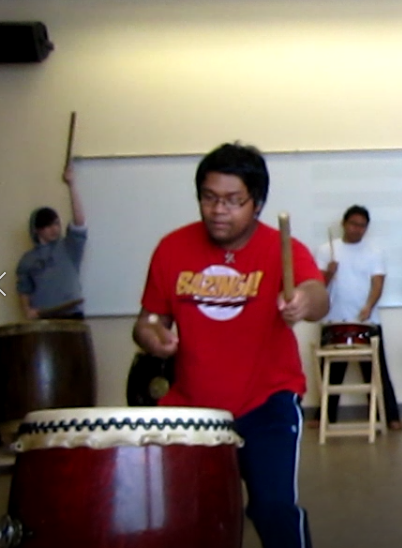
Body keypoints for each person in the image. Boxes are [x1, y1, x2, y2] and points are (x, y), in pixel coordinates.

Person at [131, 142, 329, 548]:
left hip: (266, 401)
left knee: (273, 508)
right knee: (190, 515)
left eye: (232, 201)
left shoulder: (282, 248)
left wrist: (304, 302)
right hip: (190, 407)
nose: (218, 209)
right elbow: (149, 320)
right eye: (209, 198)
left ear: (256, 203)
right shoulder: (172, 248)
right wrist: (152, 336)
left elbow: (317, 295)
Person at [312, 205, 402, 431]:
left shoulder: (375, 251)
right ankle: (325, 416)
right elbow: (316, 286)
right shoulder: (327, 250)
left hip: (367, 320)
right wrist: (329, 273)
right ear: (344, 224)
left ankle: (390, 415)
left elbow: (378, 283)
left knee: (376, 370)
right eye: (353, 224)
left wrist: (368, 306)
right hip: (333, 318)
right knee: (330, 371)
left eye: (362, 226)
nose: (357, 229)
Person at [17, 165, 87, 320]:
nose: (54, 229)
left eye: (56, 224)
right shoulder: (27, 260)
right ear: (37, 230)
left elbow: (80, 222)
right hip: (44, 320)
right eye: (48, 225)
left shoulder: (69, 247)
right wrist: (27, 310)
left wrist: (72, 185)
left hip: (72, 315)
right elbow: (24, 289)